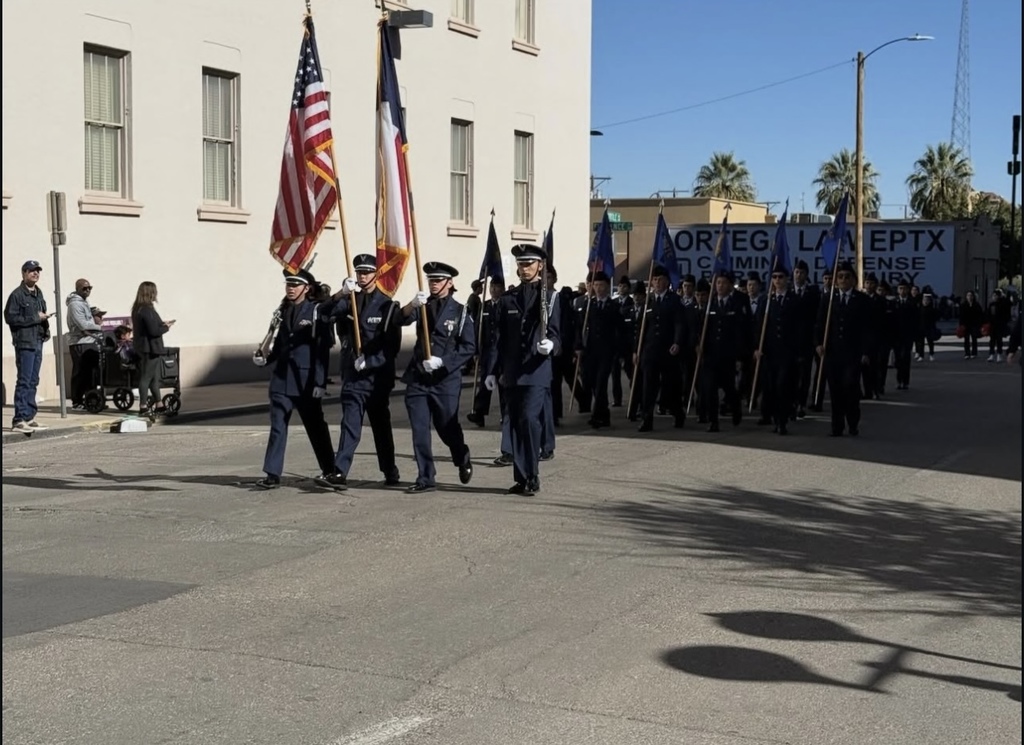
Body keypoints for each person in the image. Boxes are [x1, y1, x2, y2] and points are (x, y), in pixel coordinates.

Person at [482, 244, 562, 496]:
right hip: (512, 371)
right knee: (515, 422)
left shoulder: (550, 298)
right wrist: (491, 371)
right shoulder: (508, 298)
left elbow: (559, 335)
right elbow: (498, 339)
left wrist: (552, 345)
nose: (524, 268)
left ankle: (532, 474)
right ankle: (521, 477)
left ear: (540, 266)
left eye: (529, 264)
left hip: (536, 370)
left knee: (528, 419)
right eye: (521, 264)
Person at [318, 254, 402, 489]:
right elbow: (322, 314)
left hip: (376, 379)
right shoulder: (349, 301)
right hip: (353, 376)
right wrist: (340, 294)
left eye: (366, 272)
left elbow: (392, 346)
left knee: (380, 427)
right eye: (359, 273)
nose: (362, 276)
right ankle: (339, 471)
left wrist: (372, 361)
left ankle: (390, 470)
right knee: (350, 424)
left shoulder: (387, 305)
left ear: (376, 274)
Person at [252, 268, 337, 490]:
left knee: (315, 427)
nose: (290, 288)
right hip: (282, 379)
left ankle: (330, 469)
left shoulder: (316, 312)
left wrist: (320, 382)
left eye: (295, 285)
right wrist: (265, 359)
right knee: (278, 427)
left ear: (306, 288)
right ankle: (272, 473)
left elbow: (322, 350)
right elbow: (280, 346)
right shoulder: (284, 312)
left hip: (305, 381)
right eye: (288, 285)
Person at [399, 261, 476, 493]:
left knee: (446, 426)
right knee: (420, 429)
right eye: (431, 280)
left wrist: (444, 361)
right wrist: (411, 305)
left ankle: (461, 455)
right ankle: (426, 477)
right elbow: (397, 321)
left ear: (450, 283)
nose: (434, 284)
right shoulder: (422, 305)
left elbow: (469, 346)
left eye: (438, 280)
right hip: (419, 377)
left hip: (445, 379)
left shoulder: (461, 312)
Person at [815, 261, 872, 437]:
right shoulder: (828, 298)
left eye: (847, 277)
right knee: (835, 390)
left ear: (853, 280)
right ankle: (837, 426)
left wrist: (865, 351)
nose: (843, 280)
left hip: (852, 354)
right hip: (833, 352)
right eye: (840, 277)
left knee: (850, 388)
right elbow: (820, 323)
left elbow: (867, 328)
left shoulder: (862, 300)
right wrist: (818, 343)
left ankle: (853, 421)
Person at [4, 260, 52, 433]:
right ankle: (19, 419)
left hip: (38, 341)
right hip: (24, 343)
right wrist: (36, 318)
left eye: (37, 271)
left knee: (33, 380)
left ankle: (30, 417)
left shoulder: (38, 294)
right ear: (24, 273)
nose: (35, 274)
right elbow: (11, 318)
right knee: (24, 381)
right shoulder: (17, 295)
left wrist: (45, 329)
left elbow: (41, 315)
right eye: (31, 271)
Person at [574, 270, 623, 428]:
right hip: (590, 351)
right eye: (595, 285)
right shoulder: (589, 305)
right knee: (593, 383)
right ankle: (605, 414)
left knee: (601, 382)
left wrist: (618, 350)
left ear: (607, 286)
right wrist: (578, 346)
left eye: (601, 285)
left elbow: (620, 329)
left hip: (607, 352)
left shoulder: (613, 306)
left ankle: (597, 416)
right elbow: (579, 328)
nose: (598, 288)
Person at [755, 266, 800, 435]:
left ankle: (782, 421)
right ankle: (775, 418)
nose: (777, 280)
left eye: (780, 277)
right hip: (769, 351)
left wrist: (798, 351)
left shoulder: (794, 300)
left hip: (787, 352)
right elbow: (759, 325)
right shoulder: (766, 300)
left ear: (787, 279)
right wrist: (757, 347)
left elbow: (800, 327)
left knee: (783, 386)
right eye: (774, 277)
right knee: (771, 387)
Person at [131, 281, 176, 416]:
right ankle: (143, 406)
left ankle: (159, 404)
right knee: (146, 378)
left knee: (154, 378)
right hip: (150, 348)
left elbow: (149, 326)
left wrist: (161, 323)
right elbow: (153, 331)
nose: (156, 294)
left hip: (143, 347)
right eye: (154, 291)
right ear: (150, 293)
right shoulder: (147, 310)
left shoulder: (138, 309)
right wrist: (166, 327)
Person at [66, 279, 104, 409]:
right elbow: (82, 324)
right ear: (77, 289)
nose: (88, 290)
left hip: (90, 340)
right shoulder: (75, 304)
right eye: (84, 288)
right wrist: (99, 328)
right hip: (79, 342)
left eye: (89, 288)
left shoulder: (84, 302)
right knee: (80, 372)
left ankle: (92, 399)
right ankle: (77, 401)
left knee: (92, 372)